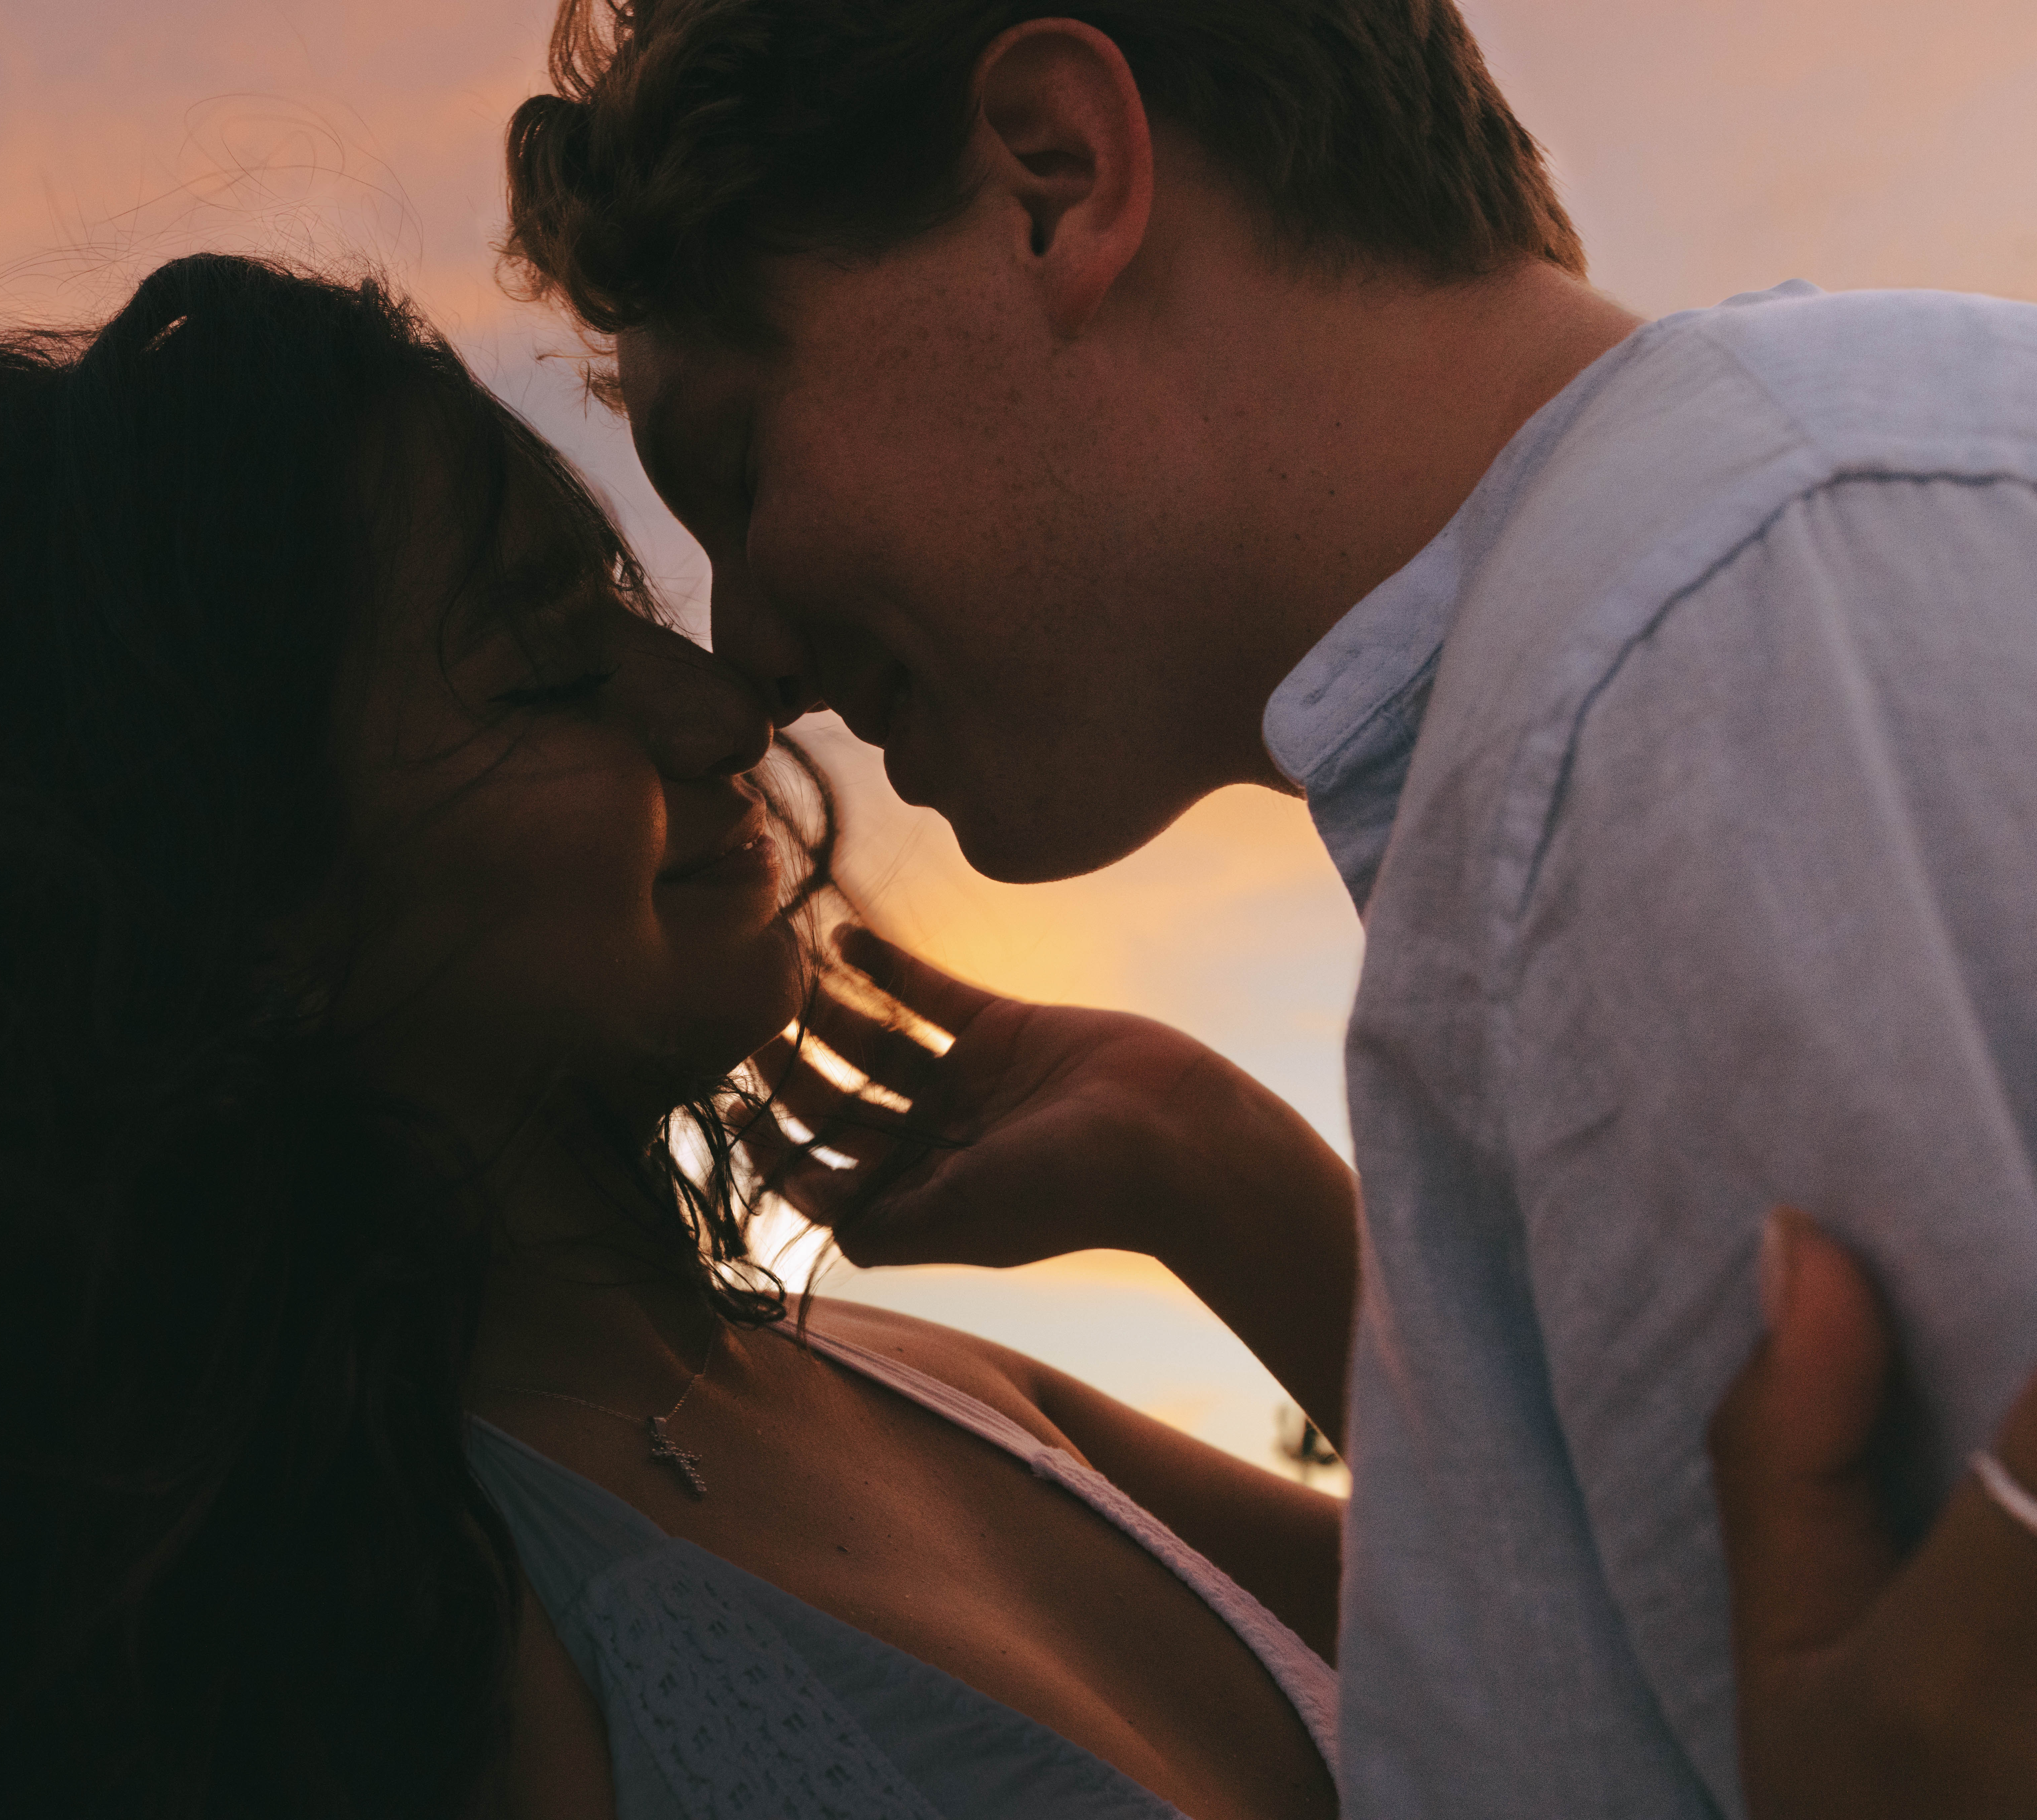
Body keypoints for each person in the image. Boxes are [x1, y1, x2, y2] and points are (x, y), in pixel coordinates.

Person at [0, 251, 1371, 1820]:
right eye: (551, 670)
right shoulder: (370, 1650)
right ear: (244, 911)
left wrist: (1217, 1169)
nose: (723, 702)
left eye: (628, 613)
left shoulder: (935, 1384)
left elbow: (1615, 1643)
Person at [498, 0, 2037, 1813]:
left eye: (743, 473)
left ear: (1054, 182)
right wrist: (1204, 1161)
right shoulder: (1683, 633)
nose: (750, 654)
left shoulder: (1680, 683)